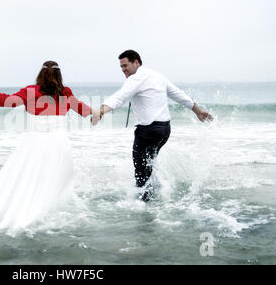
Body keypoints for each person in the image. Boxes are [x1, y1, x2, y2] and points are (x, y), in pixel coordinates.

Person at [0, 61, 93, 235]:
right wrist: (100, 112)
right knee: (55, 179)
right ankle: (49, 210)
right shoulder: (65, 92)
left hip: (35, 142)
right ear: (59, 75)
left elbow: (7, 102)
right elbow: (84, 110)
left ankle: (32, 207)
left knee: (31, 177)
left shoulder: (31, 91)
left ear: (40, 74)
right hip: (59, 143)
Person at [91, 50, 213, 202]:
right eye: (121, 67)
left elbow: (120, 96)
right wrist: (198, 111)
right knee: (148, 164)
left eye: (125, 65)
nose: (123, 69)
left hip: (147, 131)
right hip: (164, 130)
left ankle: (142, 203)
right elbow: (178, 94)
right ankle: (154, 193)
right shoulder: (156, 75)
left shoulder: (136, 78)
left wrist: (100, 111)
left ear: (136, 62)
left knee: (141, 170)